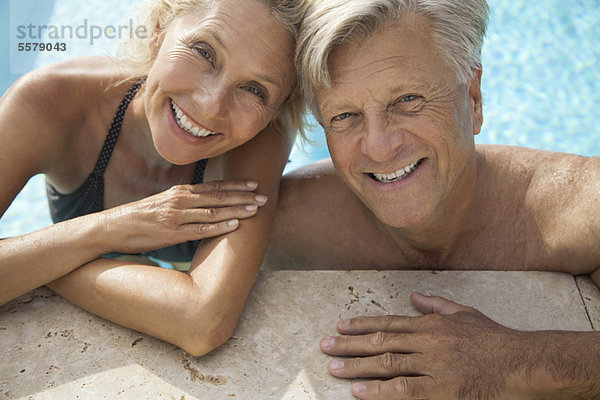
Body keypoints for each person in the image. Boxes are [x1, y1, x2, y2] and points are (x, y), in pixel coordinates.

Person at [264, 0, 600, 398]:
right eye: (344, 116)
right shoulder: (285, 222)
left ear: (473, 98)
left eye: (407, 100)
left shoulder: (581, 209)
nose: (379, 147)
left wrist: (515, 361)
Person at [0, 0, 308, 357]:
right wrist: (116, 227)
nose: (211, 105)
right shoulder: (50, 102)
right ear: (159, 30)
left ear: (277, 107)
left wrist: (37, 263)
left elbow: (202, 323)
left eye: (254, 89)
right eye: (204, 52)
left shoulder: (260, 138)